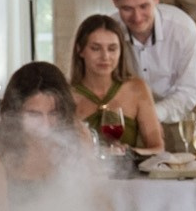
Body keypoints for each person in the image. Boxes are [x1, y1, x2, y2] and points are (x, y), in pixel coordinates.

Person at [0, 63, 85, 211]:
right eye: (34, 114)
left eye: (53, 113)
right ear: (15, 113)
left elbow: (98, 198)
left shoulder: (76, 137)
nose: (45, 124)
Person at [112, 0, 196, 137]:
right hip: (130, 120)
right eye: (127, 9)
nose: (137, 17)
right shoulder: (110, 31)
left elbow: (188, 91)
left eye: (144, 6)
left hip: (180, 119)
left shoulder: (183, 29)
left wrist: (152, 114)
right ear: (114, 2)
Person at [67, 14, 164, 153]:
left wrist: (129, 153)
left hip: (128, 173)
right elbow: (57, 153)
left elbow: (158, 148)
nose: (105, 57)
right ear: (80, 50)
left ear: (121, 51)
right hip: (80, 173)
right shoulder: (67, 94)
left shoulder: (137, 88)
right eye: (95, 48)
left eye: (112, 49)